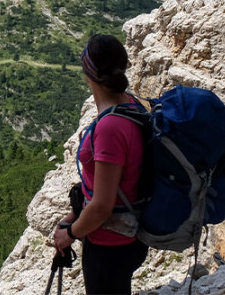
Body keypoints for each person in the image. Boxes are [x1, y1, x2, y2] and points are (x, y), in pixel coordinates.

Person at [52, 33, 148, 294]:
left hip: (110, 244)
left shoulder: (110, 127)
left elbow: (103, 206)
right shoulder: (131, 105)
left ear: (88, 73)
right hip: (128, 233)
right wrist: (75, 213)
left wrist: (70, 233)